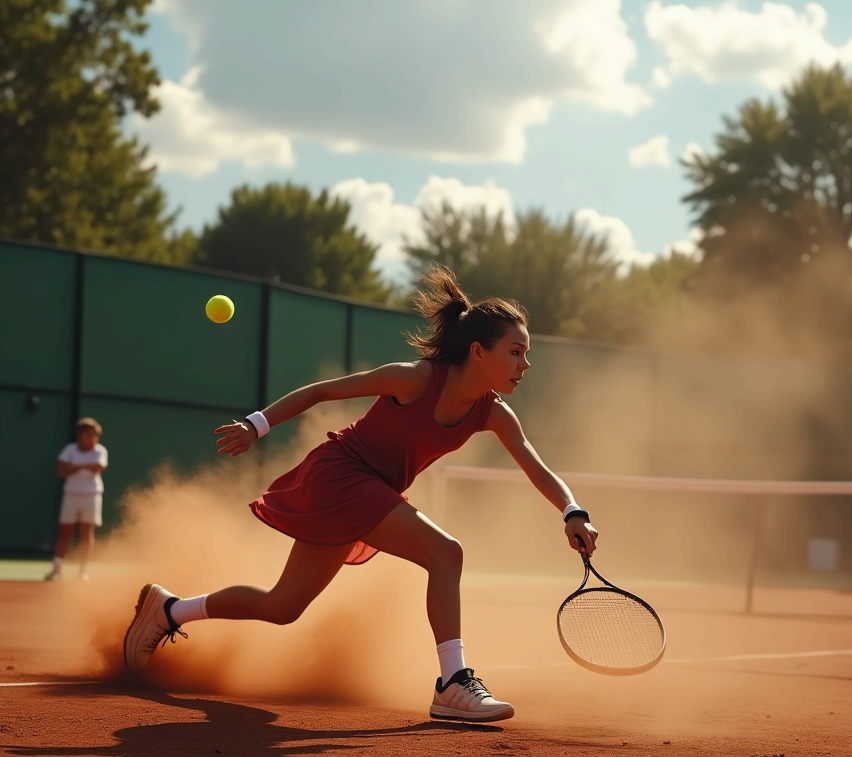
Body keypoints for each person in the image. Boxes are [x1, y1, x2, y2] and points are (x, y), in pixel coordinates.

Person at [122, 267, 598, 722]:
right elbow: (321, 392)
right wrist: (255, 424)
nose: (524, 363)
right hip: (341, 474)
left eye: (526, 354)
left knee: (281, 607)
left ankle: (169, 609)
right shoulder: (414, 379)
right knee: (446, 553)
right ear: (478, 351)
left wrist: (571, 510)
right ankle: (453, 683)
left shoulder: (492, 414)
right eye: (515, 352)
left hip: (370, 490)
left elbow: (538, 468)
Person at [46, 417, 108, 582]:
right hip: (71, 496)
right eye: (89, 435)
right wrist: (86, 466)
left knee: (86, 534)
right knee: (65, 533)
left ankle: (83, 573)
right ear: (80, 435)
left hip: (92, 496)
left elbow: (98, 467)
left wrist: (73, 467)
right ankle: (56, 571)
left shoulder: (100, 450)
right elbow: (60, 471)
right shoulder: (70, 449)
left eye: (95, 435)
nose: (93, 438)